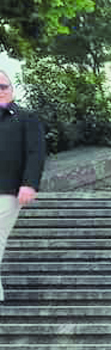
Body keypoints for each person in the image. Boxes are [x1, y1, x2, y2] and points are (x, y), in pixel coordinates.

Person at [0, 70, 44, 304]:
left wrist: (29, 184)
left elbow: (36, 153)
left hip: (6, 191)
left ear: (11, 89)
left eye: (2, 86)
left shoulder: (26, 118)